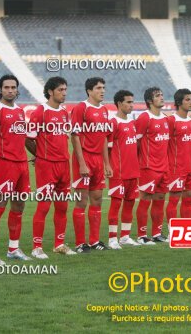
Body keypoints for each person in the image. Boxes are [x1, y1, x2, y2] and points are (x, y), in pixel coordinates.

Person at [0, 74, 32, 264]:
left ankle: (13, 249)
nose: (10, 90)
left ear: (17, 90)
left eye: (13, 87)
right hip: (5, 165)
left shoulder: (19, 111)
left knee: (18, 207)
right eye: (6, 87)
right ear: (0, 89)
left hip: (21, 165)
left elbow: (22, 139)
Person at [25, 76, 75, 258]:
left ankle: (59, 244)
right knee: (44, 206)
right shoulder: (40, 112)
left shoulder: (64, 112)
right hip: (47, 166)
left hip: (64, 164)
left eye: (65, 89)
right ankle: (36, 247)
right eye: (61, 90)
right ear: (50, 92)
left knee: (62, 206)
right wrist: (40, 155)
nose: (64, 93)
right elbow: (28, 138)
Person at [70, 77, 113, 253]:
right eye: (98, 88)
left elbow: (103, 137)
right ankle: (81, 243)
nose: (102, 91)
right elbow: (75, 136)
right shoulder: (81, 108)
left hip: (97, 161)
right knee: (82, 201)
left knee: (97, 200)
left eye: (103, 87)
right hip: (84, 158)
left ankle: (94, 241)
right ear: (89, 91)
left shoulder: (103, 110)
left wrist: (107, 164)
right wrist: (81, 163)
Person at [107, 90, 142, 249]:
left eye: (132, 102)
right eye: (128, 102)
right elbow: (106, 148)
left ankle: (125, 236)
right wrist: (107, 166)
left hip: (133, 171)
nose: (131, 105)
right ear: (119, 104)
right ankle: (112, 238)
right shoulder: (112, 122)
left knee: (129, 204)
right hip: (118, 171)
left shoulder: (132, 123)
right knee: (115, 204)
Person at [135, 87, 170, 244]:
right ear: (149, 101)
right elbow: (135, 142)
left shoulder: (165, 118)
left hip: (164, 167)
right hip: (148, 167)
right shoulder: (144, 118)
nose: (161, 97)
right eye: (157, 96)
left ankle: (156, 233)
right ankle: (142, 235)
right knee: (145, 199)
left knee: (160, 199)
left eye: (162, 95)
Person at [165, 89, 191, 222]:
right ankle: (172, 230)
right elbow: (165, 144)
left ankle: (185, 229)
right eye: (187, 99)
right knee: (174, 199)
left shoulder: (190, 121)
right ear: (179, 102)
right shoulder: (171, 120)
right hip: (176, 167)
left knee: (189, 197)